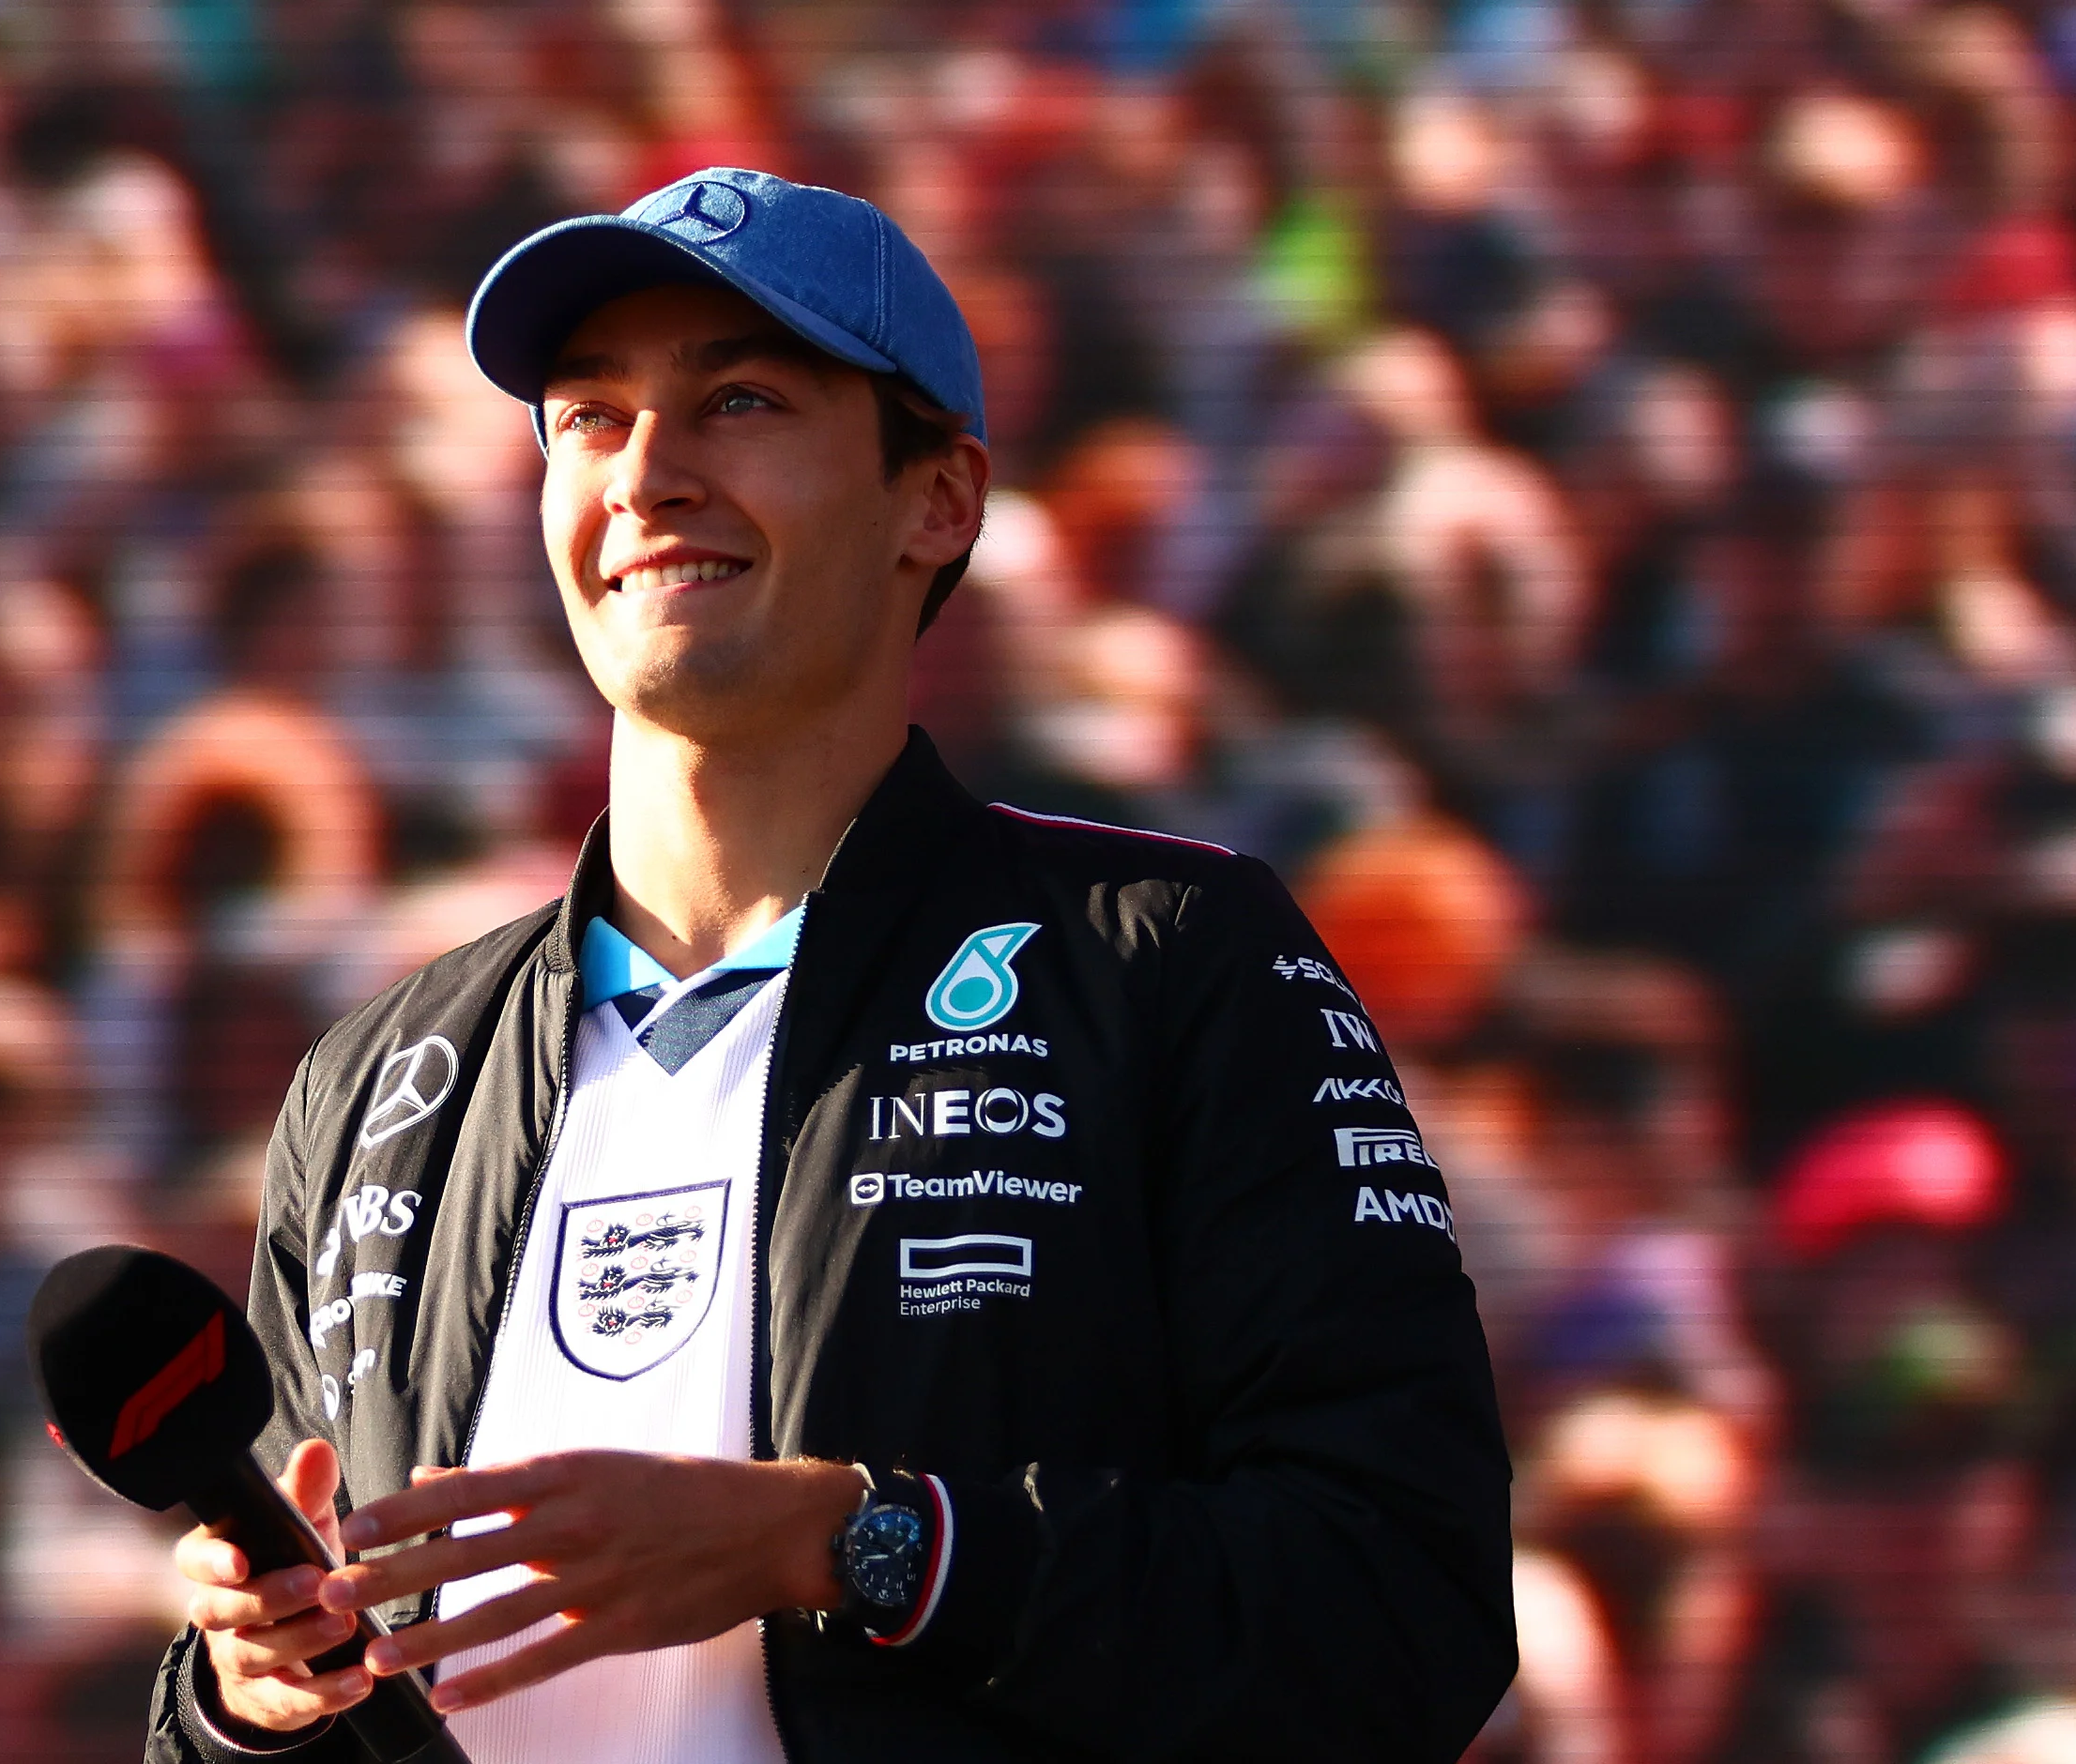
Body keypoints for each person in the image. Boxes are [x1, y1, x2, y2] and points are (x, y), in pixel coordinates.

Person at [132, 163, 1517, 1761]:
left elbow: (1400, 1611)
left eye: (738, 402)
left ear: (939, 500)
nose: (646, 474)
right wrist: (242, 1699)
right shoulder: (381, 1076)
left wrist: (854, 1542)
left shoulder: (1171, 963)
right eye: (589, 417)